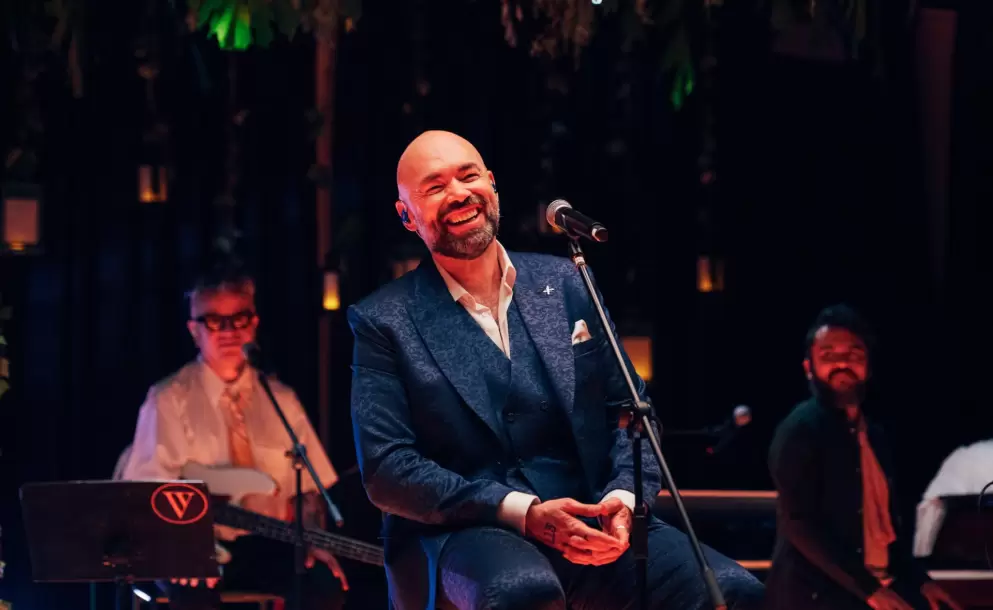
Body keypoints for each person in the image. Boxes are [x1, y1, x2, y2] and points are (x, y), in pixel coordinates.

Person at [348, 130, 764, 610]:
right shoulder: (384, 320)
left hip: (592, 513)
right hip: (469, 529)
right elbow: (386, 468)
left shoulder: (566, 280)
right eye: (435, 186)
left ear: (492, 183)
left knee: (735, 592)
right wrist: (522, 512)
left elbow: (631, 412)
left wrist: (623, 499)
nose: (459, 193)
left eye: (468, 176)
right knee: (524, 592)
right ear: (406, 215)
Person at [120, 264, 347, 610]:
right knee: (193, 593)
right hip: (194, 545)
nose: (228, 331)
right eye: (213, 321)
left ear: (254, 323)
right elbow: (148, 493)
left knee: (323, 583)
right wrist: (183, 547)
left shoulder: (281, 399)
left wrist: (315, 540)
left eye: (238, 319)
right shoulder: (168, 399)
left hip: (266, 544)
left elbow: (306, 493)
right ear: (194, 331)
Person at [765, 304, 961, 610]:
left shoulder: (874, 435)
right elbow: (800, 524)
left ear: (868, 367)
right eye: (828, 355)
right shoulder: (799, 430)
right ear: (808, 367)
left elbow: (886, 532)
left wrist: (920, 581)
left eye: (853, 354)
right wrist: (870, 590)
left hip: (866, 593)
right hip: (815, 597)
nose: (842, 363)